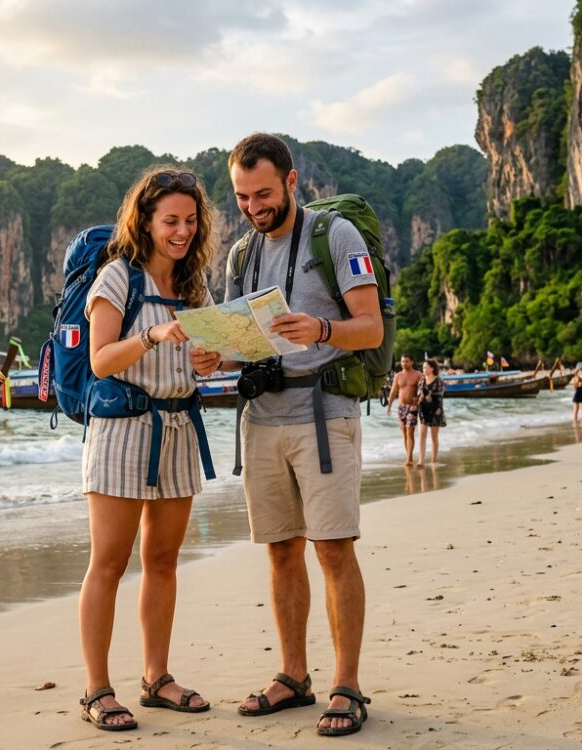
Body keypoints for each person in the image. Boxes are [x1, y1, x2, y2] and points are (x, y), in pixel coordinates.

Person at [203, 132, 381, 736]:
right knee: (281, 551)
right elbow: (237, 343)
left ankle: (347, 684)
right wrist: (214, 358)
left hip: (324, 413)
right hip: (263, 417)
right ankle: (294, 675)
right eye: (242, 197)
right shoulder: (240, 256)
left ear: (292, 180)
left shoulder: (335, 237)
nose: (254, 208)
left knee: (333, 548)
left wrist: (322, 329)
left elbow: (371, 329)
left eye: (263, 194)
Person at [76, 165, 218, 731]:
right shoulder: (118, 277)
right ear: (146, 220)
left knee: (162, 561)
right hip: (123, 430)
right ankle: (96, 689)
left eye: (189, 221)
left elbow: (206, 356)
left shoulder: (194, 287)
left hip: (179, 428)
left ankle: (156, 678)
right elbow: (100, 360)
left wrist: (211, 361)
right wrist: (153, 335)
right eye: (170, 221)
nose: (181, 232)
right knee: (108, 563)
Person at [387, 355, 423, 466]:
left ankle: (408, 459)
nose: (404, 363)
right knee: (404, 433)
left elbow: (423, 390)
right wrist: (389, 406)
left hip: (412, 407)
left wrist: (418, 401)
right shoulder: (398, 376)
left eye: (406, 361)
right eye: (402, 361)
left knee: (410, 432)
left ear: (412, 362)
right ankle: (409, 457)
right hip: (401, 407)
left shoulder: (418, 375)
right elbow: (393, 392)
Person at [416, 358, 446, 466]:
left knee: (434, 436)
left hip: (435, 410)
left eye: (425, 367)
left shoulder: (439, 381)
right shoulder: (421, 381)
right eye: (423, 367)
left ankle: (433, 460)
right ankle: (421, 461)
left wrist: (427, 395)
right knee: (422, 436)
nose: (423, 369)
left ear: (432, 368)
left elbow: (439, 397)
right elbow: (419, 396)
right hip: (423, 410)